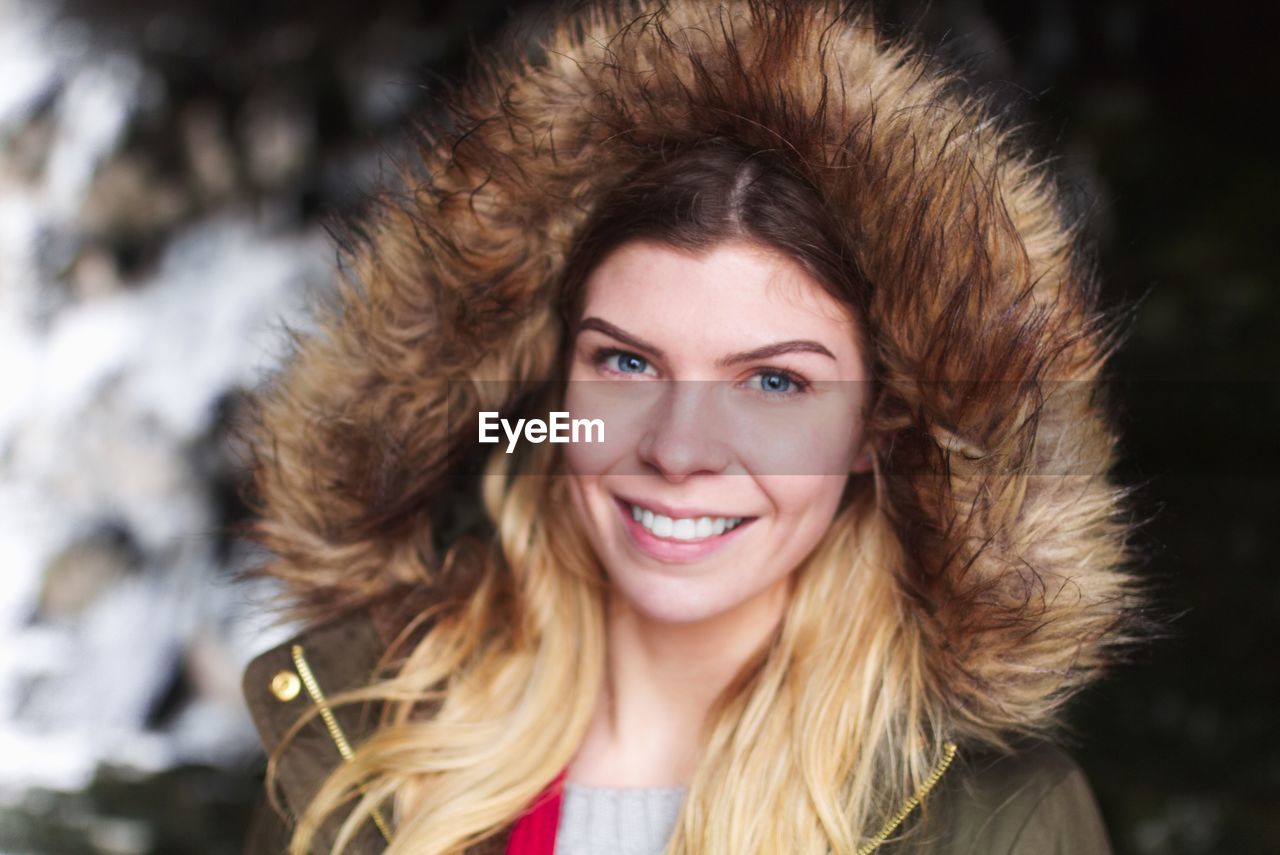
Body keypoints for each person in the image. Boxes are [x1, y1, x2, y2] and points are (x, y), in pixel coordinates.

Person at [237, 1, 1152, 853]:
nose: (678, 451)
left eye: (773, 382)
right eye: (627, 363)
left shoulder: (996, 820)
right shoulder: (354, 737)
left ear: (879, 426)